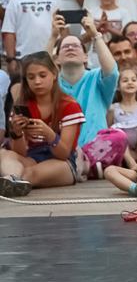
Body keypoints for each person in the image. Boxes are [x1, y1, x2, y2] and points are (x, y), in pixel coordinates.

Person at [0, 52, 86, 194]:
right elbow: (20, 152)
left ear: (54, 74)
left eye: (42, 75)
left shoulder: (69, 105)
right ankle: (12, 179)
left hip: (61, 163)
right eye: (31, 77)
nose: (37, 81)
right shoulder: (22, 105)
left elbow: (64, 154)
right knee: (4, 154)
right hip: (32, 157)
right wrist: (16, 133)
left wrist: (49, 135)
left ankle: (14, 181)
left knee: (30, 173)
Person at [52, 18, 117, 144]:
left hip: (96, 151)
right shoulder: (52, 83)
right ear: (57, 59)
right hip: (61, 153)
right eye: (65, 47)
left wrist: (95, 35)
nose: (70, 48)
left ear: (85, 57)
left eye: (76, 46)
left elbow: (112, 72)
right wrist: (53, 36)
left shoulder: (97, 77)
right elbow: (41, 69)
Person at [2, 0, 57, 64]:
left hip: (50, 54)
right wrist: (11, 59)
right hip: (23, 56)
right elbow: (9, 31)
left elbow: (63, 28)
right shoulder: (16, 0)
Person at [106, 65, 137, 168]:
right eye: (125, 81)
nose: (130, 83)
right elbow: (108, 132)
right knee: (117, 134)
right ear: (118, 87)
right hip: (122, 150)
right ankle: (132, 164)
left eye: (133, 80)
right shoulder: (113, 109)